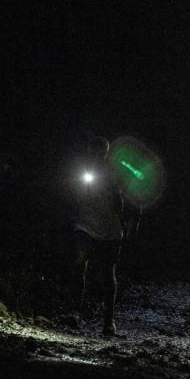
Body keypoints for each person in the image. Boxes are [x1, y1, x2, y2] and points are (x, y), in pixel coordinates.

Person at [70, 136, 137, 336]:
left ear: (106, 152)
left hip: (110, 230)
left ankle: (109, 321)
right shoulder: (84, 170)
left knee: (108, 274)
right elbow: (71, 193)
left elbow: (131, 197)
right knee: (78, 262)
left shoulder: (117, 173)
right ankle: (75, 312)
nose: (97, 154)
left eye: (101, 151)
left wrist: (132, 220)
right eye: (94, 150)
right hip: (85, 225)